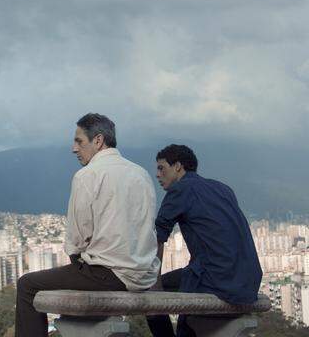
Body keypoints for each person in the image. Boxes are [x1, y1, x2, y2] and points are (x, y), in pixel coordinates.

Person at [15, 113, 160, 336]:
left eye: (79, 141)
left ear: (98, 140)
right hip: (144, 275)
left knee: (27, 285)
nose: (74, 148)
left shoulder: (87, 175)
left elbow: (77, 238)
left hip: (109, 276)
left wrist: (78, 259)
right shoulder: (141, 174)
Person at [147, 144, 262, 337]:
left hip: (215, 278)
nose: (158, 175)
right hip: (249, 279)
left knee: (150, 292)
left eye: (161, 168)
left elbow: (158, 237)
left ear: (177, 167)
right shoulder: (223, 189)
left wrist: (154, 284)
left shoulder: (180, 190)